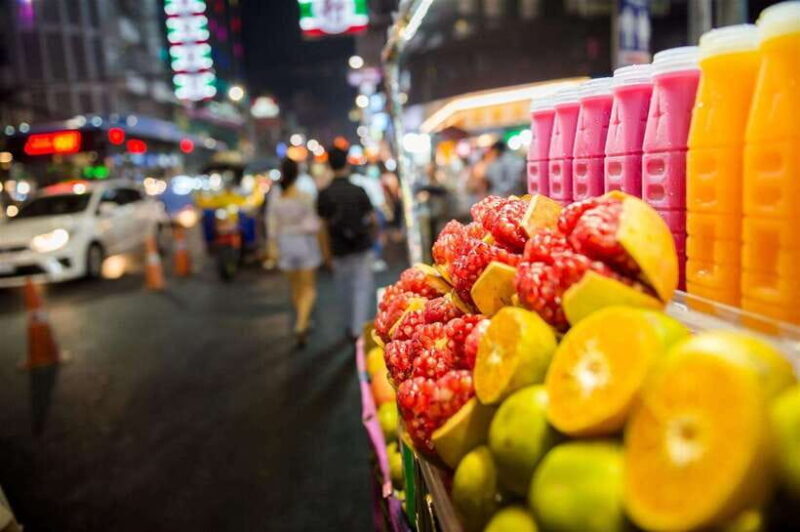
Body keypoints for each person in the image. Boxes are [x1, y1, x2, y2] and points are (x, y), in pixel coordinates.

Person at [317, 146, 376, 341]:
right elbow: (373, 219)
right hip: (361, 247)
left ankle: (350, 326)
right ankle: (358, 329)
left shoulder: (325, 194)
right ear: (347, 164)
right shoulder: (358, 191)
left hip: (338, 249)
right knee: (361, 287)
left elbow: (322, 227)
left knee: (343, 290)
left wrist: (325, 253)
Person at [267, 158, 322, 347]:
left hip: (285, 244)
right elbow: (313, 223)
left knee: (296, 288)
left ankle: (303, 319)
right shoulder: (304, 196)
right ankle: (301, 323)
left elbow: (271, 224)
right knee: (308, 288)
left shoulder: (276, 197)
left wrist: (272, 246)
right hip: (303, 243)